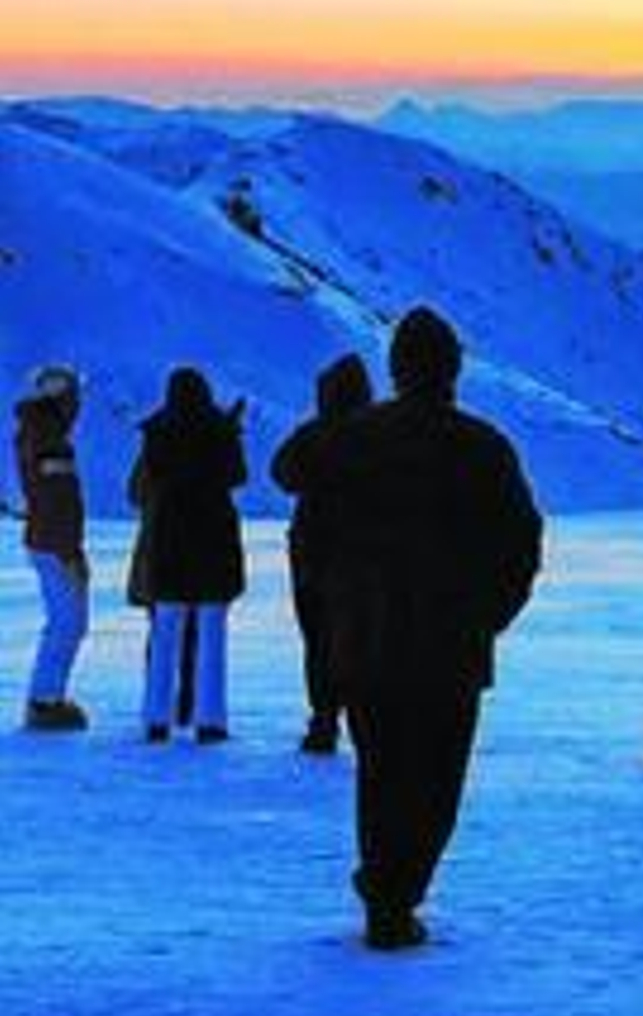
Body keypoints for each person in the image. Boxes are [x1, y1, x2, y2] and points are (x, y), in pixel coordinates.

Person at [321, 307, 543, 951]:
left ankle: (384, 894)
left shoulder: (352, 441)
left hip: (367, 639)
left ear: (395, 369)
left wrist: (341, 611)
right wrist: (486, 619)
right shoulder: (483, 447)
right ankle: (401, 892)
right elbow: (522, 545)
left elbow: (318, 538)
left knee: (380, 772)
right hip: (450, 646)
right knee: (436, 778)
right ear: (453, 369)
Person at [130, 368, 248, 744]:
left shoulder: (156, 431)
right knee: (211, 635)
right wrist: (230, 432)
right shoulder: (219, 428)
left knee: (165, 632)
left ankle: (156, 718)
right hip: (213, 540)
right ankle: (210, 720)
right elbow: (237, 475)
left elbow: (145, 483)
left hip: (168, 541)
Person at [270, 352, 376, 755]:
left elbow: (281, 473)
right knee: (364, 642)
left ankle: (324, 719)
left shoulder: (312, 435)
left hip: (313, 556)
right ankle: (365, 723)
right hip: (366, 559)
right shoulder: (379, 432)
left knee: (318, 642)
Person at [12, 365, 91, 731]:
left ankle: (47, 697)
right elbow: (57, 500)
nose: (78, 405)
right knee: (68, 623)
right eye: (73, 396)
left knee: (64, 622)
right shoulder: (48, 438)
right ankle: (44, 701)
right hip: (53, 541)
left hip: (47, 538)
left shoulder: (41, 432)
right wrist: (70, 553)